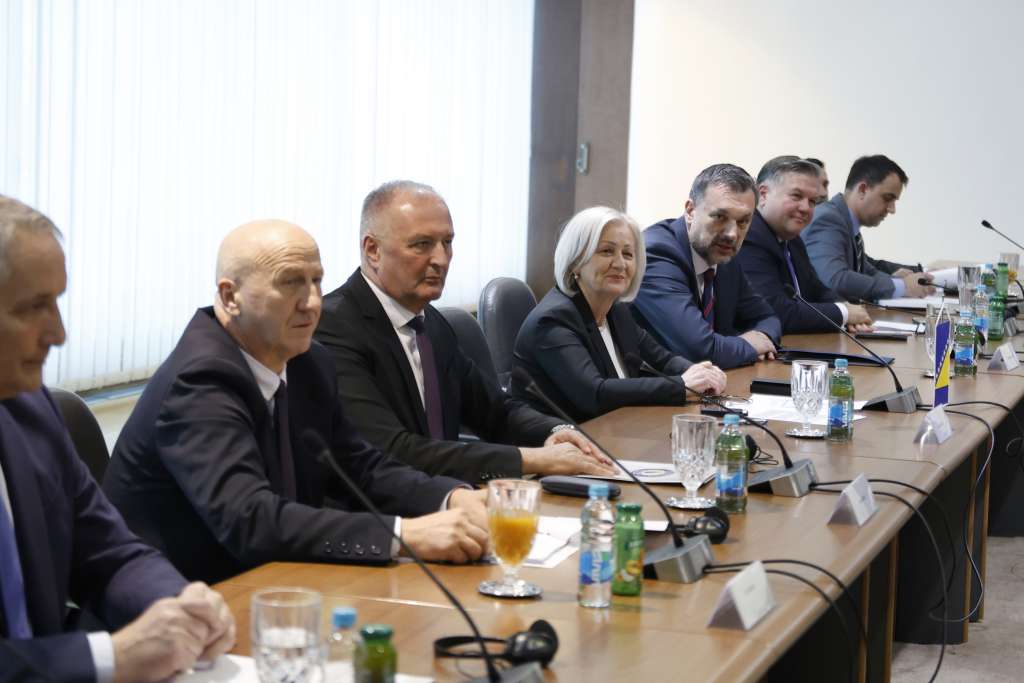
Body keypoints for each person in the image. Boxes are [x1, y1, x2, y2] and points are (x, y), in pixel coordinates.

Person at [104, 219, 490, 585]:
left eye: (316, 281)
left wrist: (450, 497)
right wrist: (405, 534)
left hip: (281, 582)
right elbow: (250, 520)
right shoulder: (200, 381)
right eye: (290, 283)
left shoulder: (308, 361)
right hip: (186, 601)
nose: (311, 302)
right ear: (230, 296)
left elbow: (361, 468)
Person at [0, 196, 234, 683]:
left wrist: (177, 604)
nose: (59, 333)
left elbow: (107, 551)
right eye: (34, 307)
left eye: (57, 301)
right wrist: (111, 656)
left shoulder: (30, 408)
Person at [314, 181, 615, 486]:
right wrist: (532, 459)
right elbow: (390, 450)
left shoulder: (431, 323)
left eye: (447, 242)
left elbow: (495, 411)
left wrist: (554, 431)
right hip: (376, 508)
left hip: (448, 495)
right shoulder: (333, 327)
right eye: (421, 244)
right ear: (373, 250)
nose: (441, 259)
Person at [510, 206, 727, 422]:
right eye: (607, 251)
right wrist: (682, 385)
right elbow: (594, 394)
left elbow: (662, 360)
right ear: (576, 261)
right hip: (562, 437)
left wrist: (700, 372)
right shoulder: (553, 321)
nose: (620, 264)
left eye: (628, 254)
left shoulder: (616, 310)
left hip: (615, 427)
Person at [631, 163, 782, 370]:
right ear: (690, 211)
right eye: (720, 217)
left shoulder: (723, 254)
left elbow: (766, 317)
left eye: (743, 222)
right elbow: (699, 350)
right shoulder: (657, 254)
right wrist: (749, 346)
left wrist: (762, 337)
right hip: (656, 384)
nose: (732, 234)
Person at [737, 156, 874, 334]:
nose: (806, 208)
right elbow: (774, 312)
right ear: (763, 194)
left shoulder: (792, 239)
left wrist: (845, 307)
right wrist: (844, 313)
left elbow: (817, 290)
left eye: (812, 201)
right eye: (796, 196)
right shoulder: (749, 237)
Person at [803, 154, 935, 302]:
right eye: (887, 198)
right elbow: (835, 280)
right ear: (862, 189)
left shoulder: (847, 223)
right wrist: (903, 286)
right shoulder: (828, 220)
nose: (892, 209)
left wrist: (900, 281)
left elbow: (868, 272)